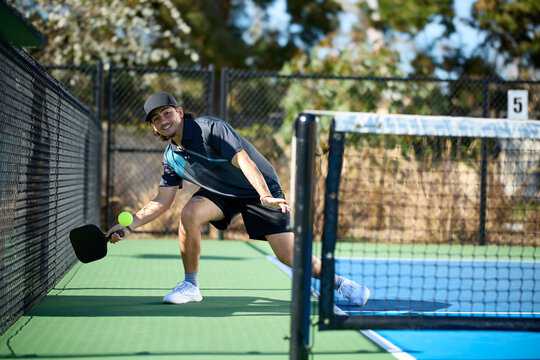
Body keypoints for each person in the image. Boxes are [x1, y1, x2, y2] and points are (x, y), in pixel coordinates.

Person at [105, 91, 370, 306]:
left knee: (289, 255)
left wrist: (264, 194)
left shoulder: (211, 129)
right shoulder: (171, 158)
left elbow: (243, 161)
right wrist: (130, 226)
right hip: (220, 193)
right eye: (156, 118)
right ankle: (190, 286)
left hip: (257, 190)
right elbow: (161, 201)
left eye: (167, 112)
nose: (163, 120)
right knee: (189, 213)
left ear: (180, 112)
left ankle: (341, 284)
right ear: (154, 127)